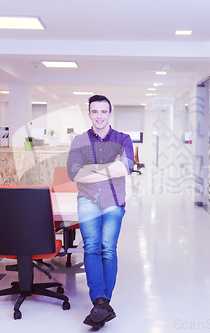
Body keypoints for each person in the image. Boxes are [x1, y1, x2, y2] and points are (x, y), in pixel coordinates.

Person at [67, 94, 134, 329]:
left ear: (109, 113)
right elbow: (74, 173)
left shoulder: (122, 138)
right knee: (92, 247)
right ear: (89, 114)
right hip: (88, 199)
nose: (99, 116)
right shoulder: (79, 140)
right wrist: (109, 169)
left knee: (108, 248)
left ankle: (101, 304)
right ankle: (101, 302)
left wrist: (93, 170)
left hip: (114, 200)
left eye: (103, 111)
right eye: (94, 112)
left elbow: (125, 166)